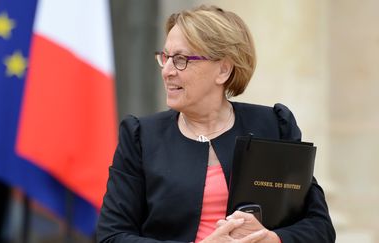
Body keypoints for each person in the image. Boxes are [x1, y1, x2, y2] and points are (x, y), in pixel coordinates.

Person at [97, 5, 335, 243]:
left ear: (223, 69)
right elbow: (112, 236)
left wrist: (271, 239)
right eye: (165, 57)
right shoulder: (141, 137)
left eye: (181, 60)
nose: (167, 71)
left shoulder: (275, 126)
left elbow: (320, 228)